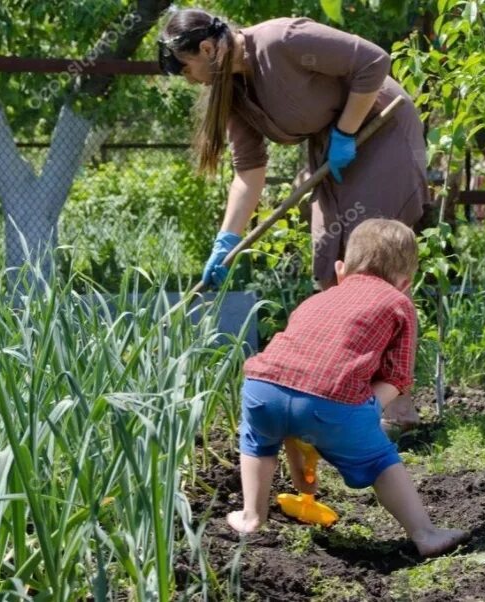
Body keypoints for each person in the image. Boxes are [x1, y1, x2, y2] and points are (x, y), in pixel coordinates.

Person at [157, 7, 425, 428]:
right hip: (333, 147)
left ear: (207, 48)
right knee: (329, 263)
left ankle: (397, 406)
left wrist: (347, 132)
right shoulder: (232, 91)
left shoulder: (283, 39)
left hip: (379, 131)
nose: (190, 79)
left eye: (187, 68)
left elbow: (373, 60)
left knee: (373, 267)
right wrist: (226, 241)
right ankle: (348, 395)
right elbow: (248, 172)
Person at [225, 219, 469, 557]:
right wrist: (369, 407)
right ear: (405, 283)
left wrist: (297, 448)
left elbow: (293, 375)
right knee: (381, 459)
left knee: (256, 441)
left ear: (341, 270)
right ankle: (425, 534)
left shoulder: (315, 300)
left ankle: (252, 517)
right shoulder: (399, 304)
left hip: (262, 388)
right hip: (331, 405)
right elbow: (398, 377)